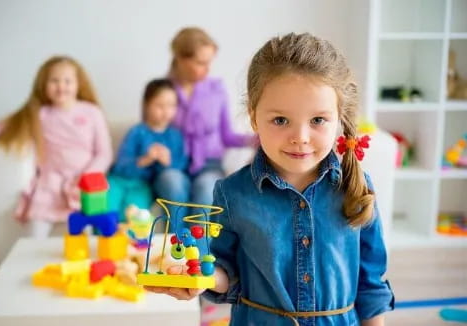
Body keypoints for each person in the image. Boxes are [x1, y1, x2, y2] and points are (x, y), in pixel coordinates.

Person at [145, 32, 395, 326]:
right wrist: (203, 276)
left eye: (317, 120)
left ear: (339, 118)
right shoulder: (232, 193)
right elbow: (228, 272)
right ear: (253, 117)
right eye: (280, 120)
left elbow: (371, 285)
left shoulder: (355, 187)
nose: (300, 138)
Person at [0, 56, 113, 238]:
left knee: (82, 242)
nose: (61, 86)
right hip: (49, 185)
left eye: (67, 81)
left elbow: (104, 154)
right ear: (43, 85)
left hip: (82, 187)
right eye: (54, 81)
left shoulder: (92, 112)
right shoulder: (39, 114)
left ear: (78, 84)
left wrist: (86, 177)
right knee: (33, 238)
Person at [154, 27, 254, 223]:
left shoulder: (216, 90)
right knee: (172, 183)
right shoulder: (162, 91)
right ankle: (175, 251)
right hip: (173, 163)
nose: (208, 68)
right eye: (201, 62)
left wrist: (256, 139)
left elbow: (227, 136)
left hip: (210, 165)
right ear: (181, 59)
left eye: (210, 62)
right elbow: (152, 132)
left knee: (207, 188)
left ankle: (201, 253)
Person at [108, 78, 187, 222]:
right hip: (119, 181)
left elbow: (180, 169)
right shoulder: (137, 132)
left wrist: (167, 162)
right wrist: (145, 160)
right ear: (146, 105)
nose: (166, 111)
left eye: (171, 105)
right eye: (160, 105)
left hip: (142, 187)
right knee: (108, 210)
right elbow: (120, 165)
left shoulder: (175, 136)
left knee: (135, 217)